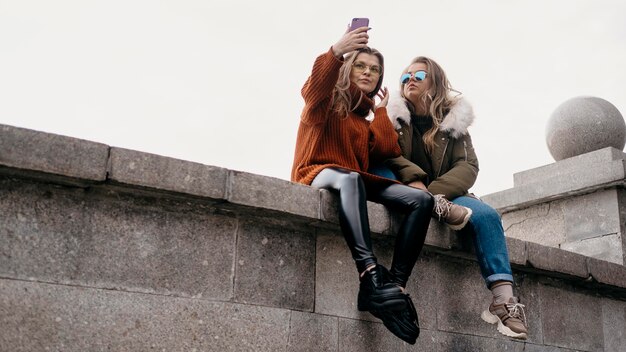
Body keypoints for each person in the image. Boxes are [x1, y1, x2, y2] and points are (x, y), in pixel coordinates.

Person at [291, 26, 434, 344]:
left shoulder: (364, 118)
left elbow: (386, 149)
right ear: (347, 68)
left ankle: (394, 286)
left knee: (421, 201)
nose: (369, 73)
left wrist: (379, 111)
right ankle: (369, 274)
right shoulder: (323, 103)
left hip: (355, 181)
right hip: (317, 171)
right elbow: (313, 89)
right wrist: (336, 51)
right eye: (361, 66)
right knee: (351, 177)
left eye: (375, 69)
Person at [383, 56, 529, 340]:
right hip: (404, 189)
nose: (409, 80)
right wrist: (419, 188)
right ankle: (434, 205)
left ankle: (503, 301)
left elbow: (467, 166)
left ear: (435, 82)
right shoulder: (392, 118)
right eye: (404, 77)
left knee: (487, 216)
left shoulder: (454, 124)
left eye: (419, 75)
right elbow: (389, 155)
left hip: (446, 196)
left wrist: (435, 193)